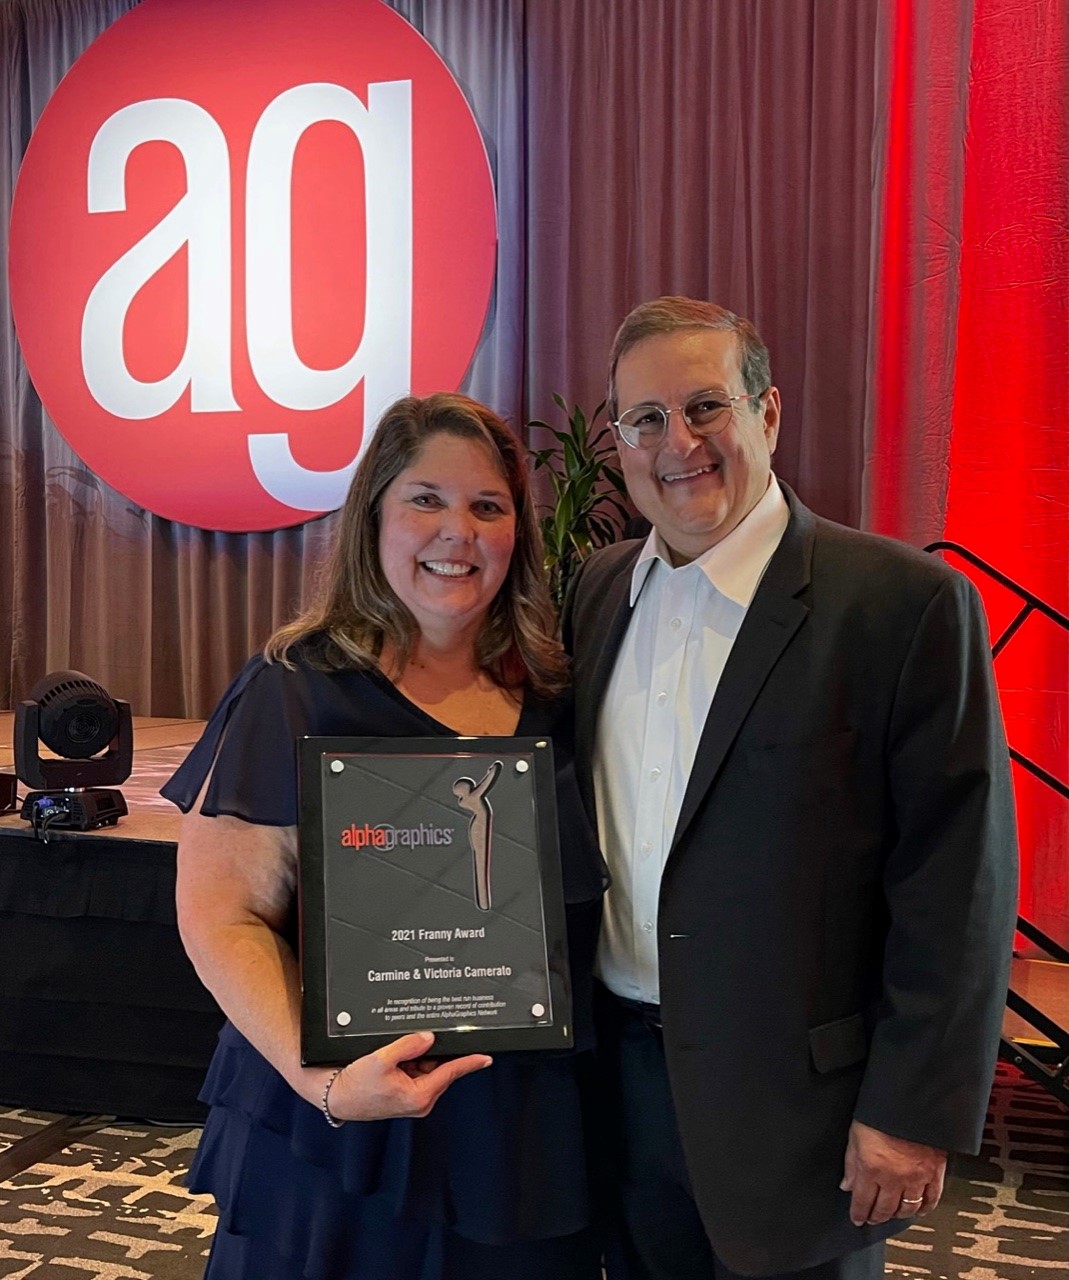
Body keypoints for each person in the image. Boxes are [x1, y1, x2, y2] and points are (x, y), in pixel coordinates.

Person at [562, 297, 1018, 1280]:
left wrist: (910, 1111)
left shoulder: (902, 604)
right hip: (618, 1093)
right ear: (619, 440)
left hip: (802, 1116)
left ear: (767, 414)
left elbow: (956, 884)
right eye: (645, 418)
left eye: (705, 407)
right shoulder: (596, 592)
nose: (677, 443)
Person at [163, 393, 606, 1280]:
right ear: (373, 518)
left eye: (488, 506)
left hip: (517, 1133)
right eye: (425, 499)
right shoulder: (295, 688)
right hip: (344, 1126)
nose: (457, 532)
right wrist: (324, 1083)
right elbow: (221, 914)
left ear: (517, 533)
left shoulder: (557, 698)